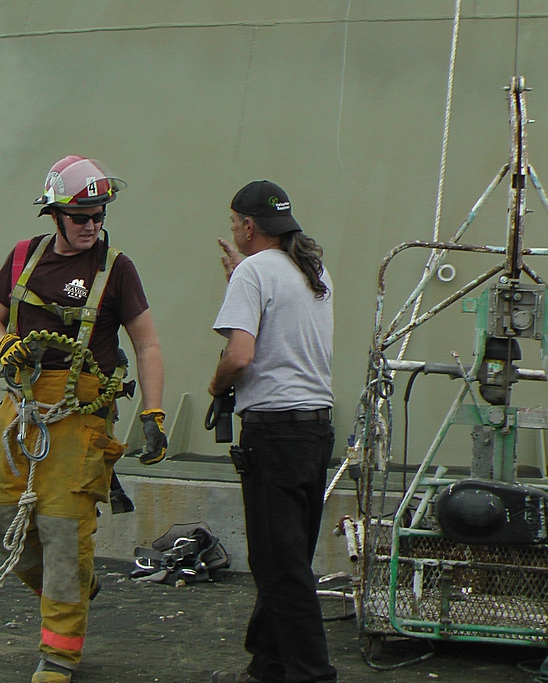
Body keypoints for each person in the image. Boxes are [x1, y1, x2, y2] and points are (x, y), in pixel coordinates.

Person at [0, 156, 166, 683]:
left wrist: (152, 411)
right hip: (23, 404)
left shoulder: (116, 269)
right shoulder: (20, 259)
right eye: (80, 215)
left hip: (81, 414)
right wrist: (3, 344)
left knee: (61, 528)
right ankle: (74, 586)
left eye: (99, 215)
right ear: (54, 215)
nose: (91, 225)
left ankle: (59, 655)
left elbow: (145, 344)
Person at [206, 181, 336, 683]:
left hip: (274, 435)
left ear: (248, 226)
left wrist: (216, 383)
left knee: (277, 566)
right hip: (314, 432)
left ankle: (313, 674)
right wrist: (246, 278)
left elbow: (241, 357)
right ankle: (268, 663)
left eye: (234, 222)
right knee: (287, 555)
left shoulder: (255, 272)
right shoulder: (312, 269)